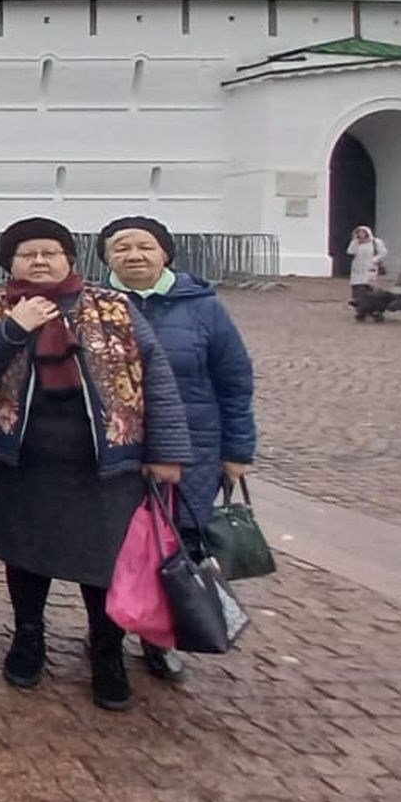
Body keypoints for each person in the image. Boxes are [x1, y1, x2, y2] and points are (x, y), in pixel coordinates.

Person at [0, 218, 193, 711]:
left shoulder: (113, 307)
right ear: (10, 263)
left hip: (107, 463)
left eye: (50, 252)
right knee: (26, 556)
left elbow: (154, 375)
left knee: (104, 562)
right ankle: (28, 638)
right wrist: (13, 329)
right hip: (27, 460)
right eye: (28, 254)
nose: (39, 261)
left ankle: (107, 652)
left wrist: (166, 451)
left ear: (69, 259)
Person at [99, 214, 258, 683]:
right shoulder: (97, 305)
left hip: (191, 451)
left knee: (176, 546)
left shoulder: (204, 308)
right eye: (121, 248)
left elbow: (234, 380)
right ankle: (107, 637)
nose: (133, 255)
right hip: (119, 450)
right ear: (106, 258)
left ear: (164, 253)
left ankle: (160, 637)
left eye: (144, 246)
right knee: (117, 547)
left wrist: (238, 449)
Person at [347, 226, 387, 304]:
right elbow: (350, 251)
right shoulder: (356, 242)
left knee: (368, 285)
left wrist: (374, 260)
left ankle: (370, 302)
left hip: (370, 266)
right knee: (357, 285)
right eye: (359, 232)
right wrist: (355, 241)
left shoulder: (376, 242)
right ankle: (358, 302)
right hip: (357, 267)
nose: (361, 234)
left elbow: (383, 253)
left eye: (363, 232)